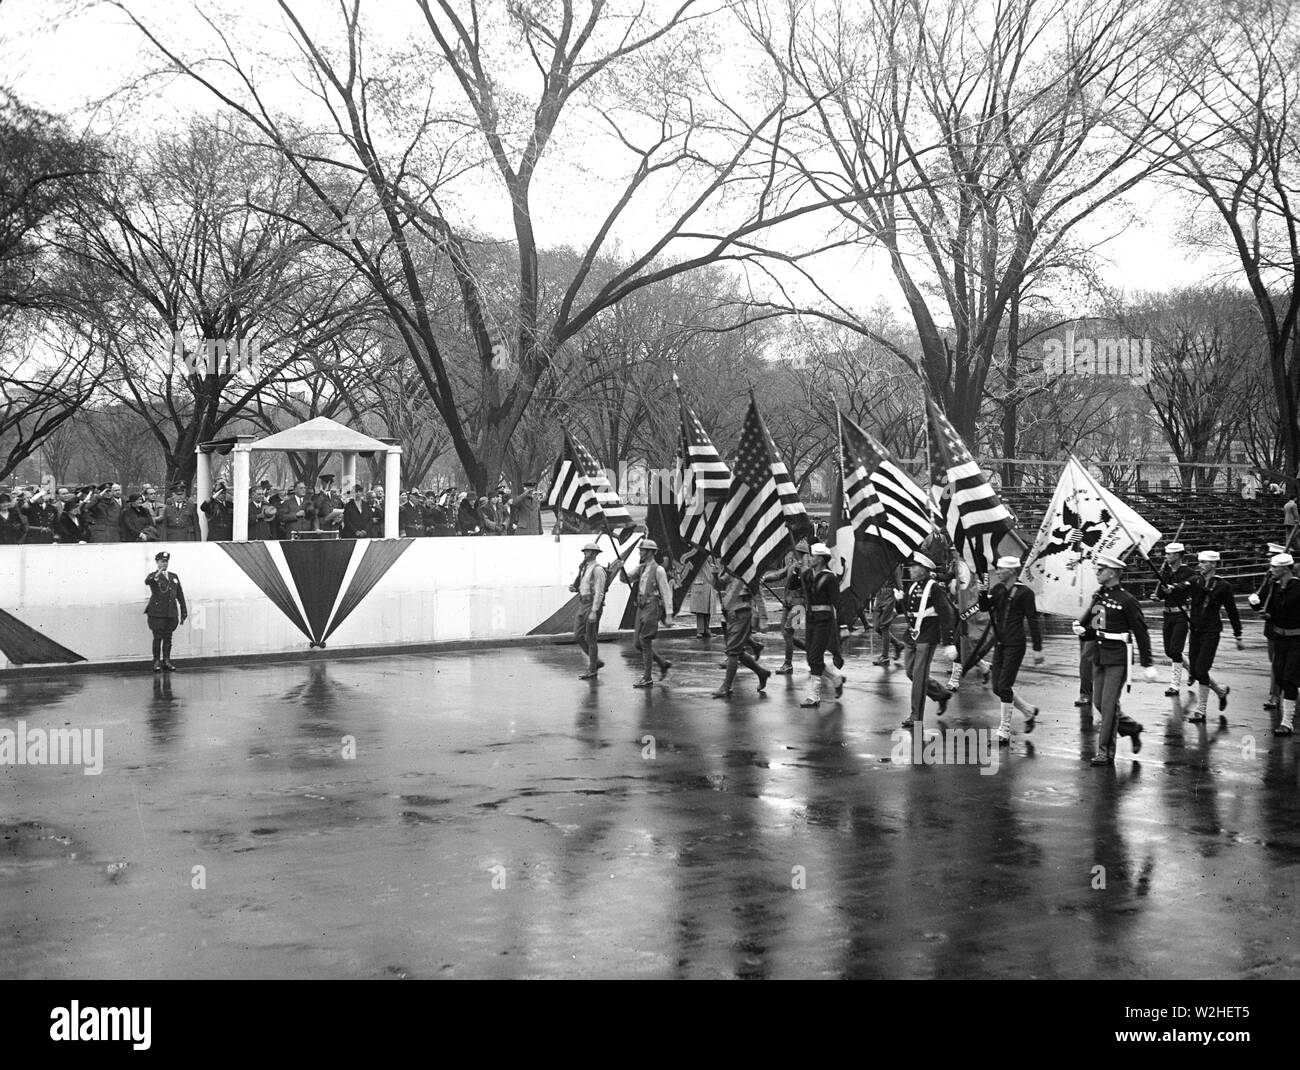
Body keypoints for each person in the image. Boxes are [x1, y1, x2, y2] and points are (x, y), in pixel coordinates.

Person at [1075, 553, 1156, 766]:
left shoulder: (1127, 600)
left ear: (1112, 573)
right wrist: (1083, 631)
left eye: (1100, 569)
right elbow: (1096, 627)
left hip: (1118, 657)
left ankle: (1105, 752)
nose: (1097, 572)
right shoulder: (1100, 596)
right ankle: (1131, 728)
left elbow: (1141, 632)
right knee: (1099, 703)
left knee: (1109, 705)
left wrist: (1147, 664)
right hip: (1100, 655)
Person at [977, 555, 1043, 744]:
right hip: (1000, 643)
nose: (997, 572)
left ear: (1012, 571)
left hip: (1015, 644)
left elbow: (1033, 620)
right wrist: (982, 593)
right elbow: (984, 608)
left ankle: (1004, 730)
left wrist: (1037, 648)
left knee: (1004, 686)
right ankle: (1028, 711)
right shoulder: (998, 589)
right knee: (998, 687)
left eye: (1000, 569)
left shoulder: (1025, 593)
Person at [898, 552, 955, 725]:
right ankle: (941, 694)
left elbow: (947, 614)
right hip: (912, 635)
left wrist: (949, 642)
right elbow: (906, 611)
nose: (910, 570)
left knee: (919, 676)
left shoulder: (934, 588)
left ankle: (916, 716)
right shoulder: (913, 586)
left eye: (914, 567)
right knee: (910, 672)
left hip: (927, 635)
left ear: (923, 569)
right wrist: (898, 600)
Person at [1185, 549, 1243, 722]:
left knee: (1202, 669)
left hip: (1211, 632)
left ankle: (1201, 710)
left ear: (1213, 564)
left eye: (1203, 562)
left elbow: (1232, 611)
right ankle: (1220, 691)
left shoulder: (1223, 586)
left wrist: (1238, 634)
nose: (1200, 565)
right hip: (1195, 630)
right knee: (1196, 670)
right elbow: (1181, 587)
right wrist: (1170, 589)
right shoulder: (1195, 580)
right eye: (1200, 562)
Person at [1250, 551, 1300, 736]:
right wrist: (1257, 606)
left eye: (1275, 567)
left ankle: (1287, 723)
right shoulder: (1273, 588)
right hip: (1279, 638)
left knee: (1288, 679)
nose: (1271, 570)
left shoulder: (1298, 588)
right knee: (1280, 676)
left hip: (1296, 639)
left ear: (1286, 569)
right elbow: (1266, 609)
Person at [799, 542, 847, 708]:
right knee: (810, 658)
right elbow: (793, 586)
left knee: (814, 657)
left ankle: (814, 695)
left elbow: (838, 603)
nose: (810, 558)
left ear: (820, 559)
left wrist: (843, 627)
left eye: (813, 556)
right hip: (810, 619)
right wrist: (797, 572)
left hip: (824, 621)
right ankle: (835, 679)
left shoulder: (829, 577)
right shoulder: (807, 574)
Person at [622, 538, 674, 687]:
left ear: (650, 552)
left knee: (645, 640)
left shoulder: (659, 570)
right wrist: (621, 568)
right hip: (641, 607)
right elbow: (625, 579)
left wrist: (669, 614)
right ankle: (662, 663)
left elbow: (666, 592)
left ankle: (647, 677)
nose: (640, 552)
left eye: (642, 550)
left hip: (652, 606)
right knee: (637, 643)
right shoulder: (642, 568)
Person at [713, 569, 771, 698]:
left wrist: (763, 619)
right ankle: (761, 672)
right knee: (737, 651)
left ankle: (726, 686)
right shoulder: (732, 571)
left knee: (732, 651)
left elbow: (759, 597)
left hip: (743, 613)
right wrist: (715, 574)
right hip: (730, 614)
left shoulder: (750, 572)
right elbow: (718, 586)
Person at [1155, 541, 1196, 698]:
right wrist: (1158, 595)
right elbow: (1161, 595)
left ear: (1178, 555)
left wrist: (1175, 587)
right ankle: (1191, 669)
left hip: (1180, 614)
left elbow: (1190, 585)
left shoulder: (1188, 572)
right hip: (1167, 614)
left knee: (1175, 649)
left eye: (1169, 554)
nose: (1166, 557)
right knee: (1169, 650)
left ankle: (1174, 685)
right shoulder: (1165, 572)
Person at [764, 544, 807, 674]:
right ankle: (810, 651)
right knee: (785, 633)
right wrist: (765, 578)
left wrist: (799, 572)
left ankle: (788, 664)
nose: (792, 553)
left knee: (788, 632)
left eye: (794, 551)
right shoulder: (792, 566)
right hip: (788, 604)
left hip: (799, 605)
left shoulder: (806, 569)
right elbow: (779, 574)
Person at [144, 551, 188, 672]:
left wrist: (184, 611)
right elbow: (147, 581)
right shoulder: (153, 576)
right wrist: (156, 575)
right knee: (157, 637)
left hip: (170, 613)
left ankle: (167, 661)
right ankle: (156, 661)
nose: (164, 563)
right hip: (157, 614)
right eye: (162, 561)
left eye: (166, 561)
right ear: (157, 562)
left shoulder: (174, 576)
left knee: (168, 638)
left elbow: (180, 594)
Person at [571, 541, 608, 680]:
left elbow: (599, 591)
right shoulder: (585, 568)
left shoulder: (597, 570)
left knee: (591, 638)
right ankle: (595, 661)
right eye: (585, 551)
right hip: (582, 603)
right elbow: (584, 585)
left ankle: (592, 669)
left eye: (587, 551)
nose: (585, 554)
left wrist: (594, 610)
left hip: (592, 604)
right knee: (577, 635)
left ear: (593, 553)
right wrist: (575, 588)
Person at [872, 571, 906, 666]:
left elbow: (898, 579)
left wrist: (900, 591)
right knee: (877, 627)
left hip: (889, 595)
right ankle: (897, 644)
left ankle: (884, 657)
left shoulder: (892, 563)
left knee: (884, 627)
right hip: (879, 595)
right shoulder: (878, 563)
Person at [689, 555, 720, 639]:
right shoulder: (700, 562)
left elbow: (715, 579)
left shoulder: (712, 565)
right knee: (700, 611)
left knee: (708, 610)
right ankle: (700, 631)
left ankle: (707, 629)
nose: (710, 557)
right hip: (700, 587)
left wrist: (716, 572)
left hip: (709, 588)